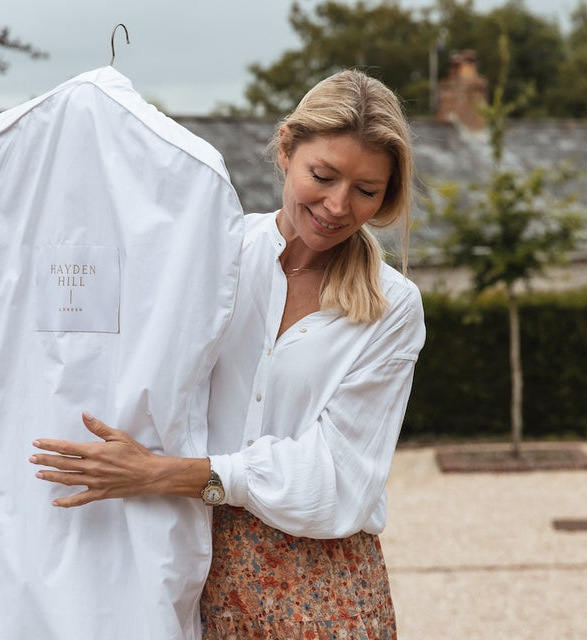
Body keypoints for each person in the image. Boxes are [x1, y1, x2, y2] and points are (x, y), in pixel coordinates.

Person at [30, 69, 426, 639]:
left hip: (322, 588)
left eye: (366, 191)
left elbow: (339, 479)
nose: (338, 205)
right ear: (286, 148)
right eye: (323, 175)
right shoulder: (212, 257)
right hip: (184, 554)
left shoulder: (393, 307)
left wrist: (163, 473)